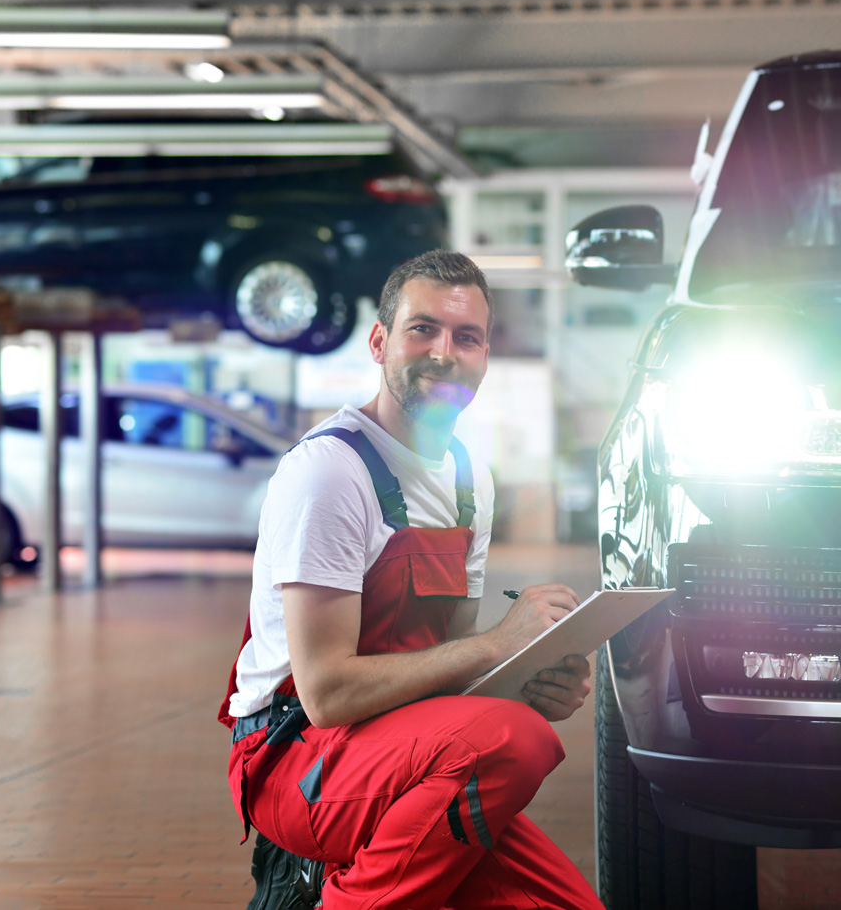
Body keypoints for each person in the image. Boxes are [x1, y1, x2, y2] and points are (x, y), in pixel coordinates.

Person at [216, 251, 605, 909]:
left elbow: (446, 674)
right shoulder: (332, 472)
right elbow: (328, 692)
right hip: (294, 756)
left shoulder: (467, 479)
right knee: (512, 739)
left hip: (399, 745)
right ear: (379, 341)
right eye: (422, 328)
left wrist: (531, 679)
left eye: (467, 336)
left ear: (485, 355)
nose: (444, 352)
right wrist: (496, 645)